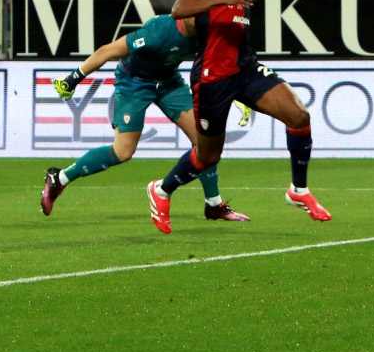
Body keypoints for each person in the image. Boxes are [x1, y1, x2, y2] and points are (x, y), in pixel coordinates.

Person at [146, 0, 330, 234]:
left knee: (298, 115)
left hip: (244, 67)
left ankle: (298, 189)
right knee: (207, 156)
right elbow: (180, 9)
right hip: (212, 76)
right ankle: (161, 190)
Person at [42, 15, 248, 223]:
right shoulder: (158, 31)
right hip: (134, 83)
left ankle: (213, 205)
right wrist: (73, 79)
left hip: (169, 83)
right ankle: (59, 179)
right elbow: (108, 50)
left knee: (203, 141)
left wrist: (234, 92)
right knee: (123, 151)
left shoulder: (205, 31)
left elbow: (221, 63)